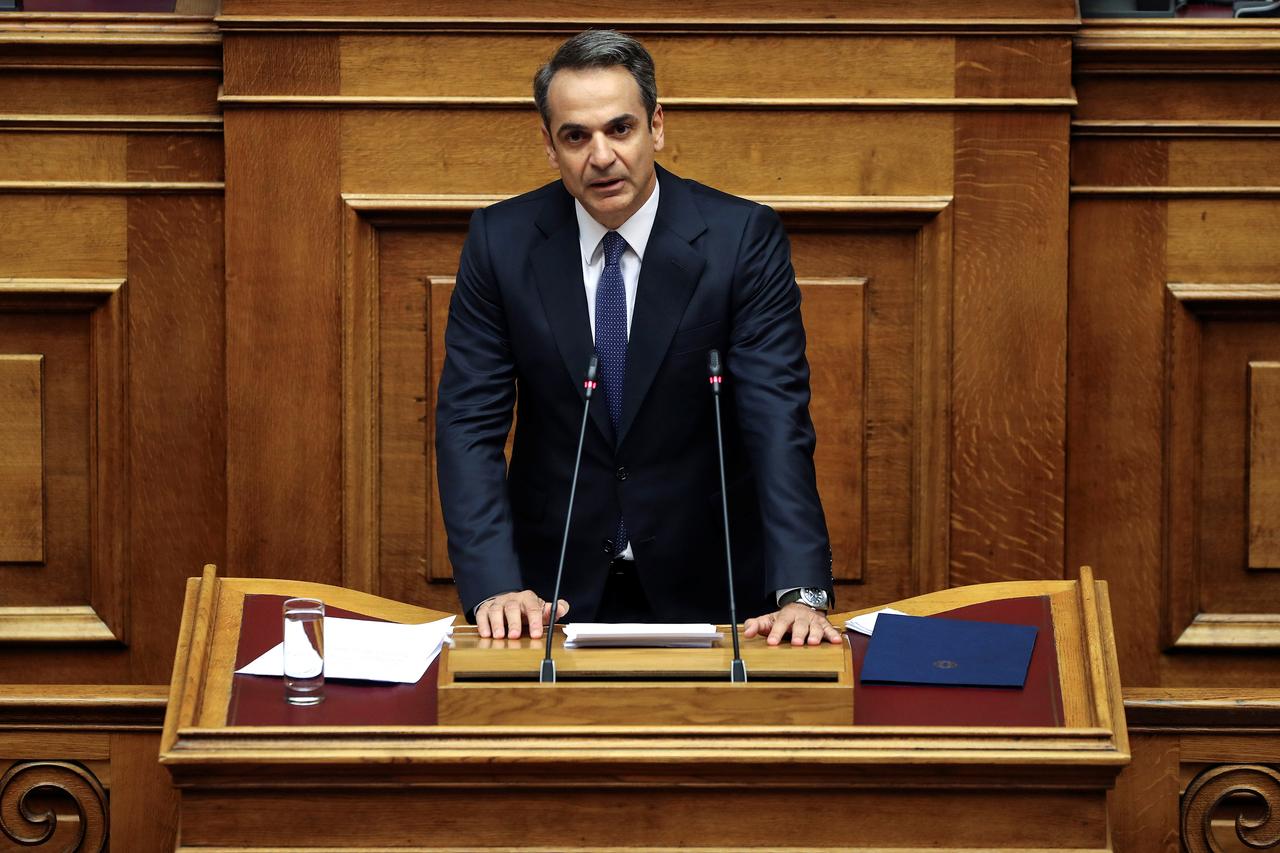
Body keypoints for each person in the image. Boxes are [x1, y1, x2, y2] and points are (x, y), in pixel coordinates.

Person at [435, 29, 839, 647]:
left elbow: (777, 420)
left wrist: (800, 591)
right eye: (576, 136)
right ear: (549, 145)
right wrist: (494, 586)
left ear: (656, 126)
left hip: (714, 586)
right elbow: (469, 423)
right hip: (549, 594)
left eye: (620, 129)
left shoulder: (739, 240)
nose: (601, 156)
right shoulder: (501, 243)